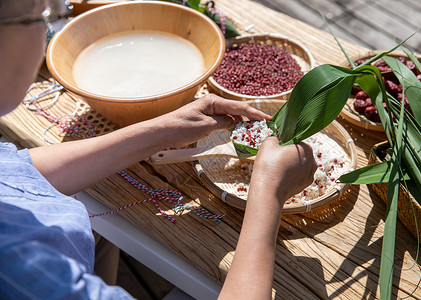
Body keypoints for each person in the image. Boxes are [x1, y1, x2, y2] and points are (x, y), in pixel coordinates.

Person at [0, 0, 317, 299]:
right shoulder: (21, 265)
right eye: (46, 14)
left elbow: (16, 172)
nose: (48, 30)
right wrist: (268, 193)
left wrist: (165, 129)